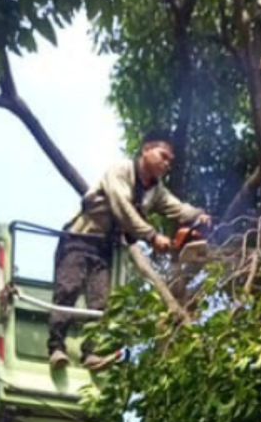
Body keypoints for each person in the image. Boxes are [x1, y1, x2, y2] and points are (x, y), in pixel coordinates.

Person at [48, 131, 210, 370]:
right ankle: (56, 348)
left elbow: (178, 208)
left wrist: (198, 215)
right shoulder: (120, 171)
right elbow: (122, 208)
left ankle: (91, 353)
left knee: (101, 302)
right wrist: (152, 236)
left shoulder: (157, 191)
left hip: (104, 248)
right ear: (146, 150)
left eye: (170, 161)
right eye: (163, 156)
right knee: (68, 290)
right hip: (78, 240)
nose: (167, 164)